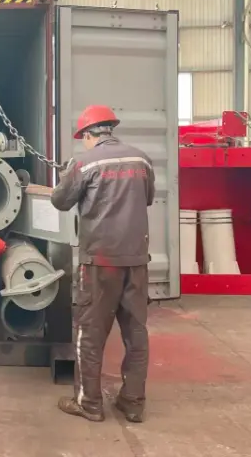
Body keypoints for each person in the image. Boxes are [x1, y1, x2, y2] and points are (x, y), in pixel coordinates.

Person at [50, 105, 155, 424]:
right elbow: (147, 198)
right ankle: (133, 402)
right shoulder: (142, 159)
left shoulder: (84, 163)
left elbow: (60, 201)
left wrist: (67, 174)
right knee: (136, 332)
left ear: (88, 134)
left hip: (99, 263)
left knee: (90, 332)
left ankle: (90, 403)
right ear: (110, 129)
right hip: (136, 260)